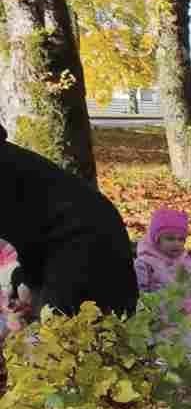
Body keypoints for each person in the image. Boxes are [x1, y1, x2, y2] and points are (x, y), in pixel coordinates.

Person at [0, 129, 137, 318]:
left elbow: (24, 228)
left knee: (72, 328)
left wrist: (28, 281)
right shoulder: (9, 157)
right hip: (73, 233)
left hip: (81, 240)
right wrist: (24, 279)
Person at [133, 207, 191, 363]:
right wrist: (146, 317)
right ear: (156, 239)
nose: (176, 243)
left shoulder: (186, 263)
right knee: (161, 360)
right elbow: (139, 293)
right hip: (159, 323)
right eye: (170, 238)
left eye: (181, 239)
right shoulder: (145, 263)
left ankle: (184, 377)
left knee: (186, 355)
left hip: (183, 320)